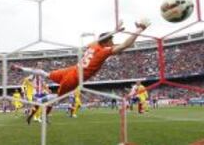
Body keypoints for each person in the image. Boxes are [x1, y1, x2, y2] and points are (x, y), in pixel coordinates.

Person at [12, 20, 150, 123]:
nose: (113, 42)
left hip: (71, 70)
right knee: (56, 98)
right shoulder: (103, 52)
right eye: (111, 40)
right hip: (74, 78)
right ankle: (41, 103)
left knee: (46, 74)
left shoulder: (94, 45)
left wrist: (115, 31)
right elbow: (125, 45)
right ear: (107, 42)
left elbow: (109, 41)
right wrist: (139, 29)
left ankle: (22, 69)